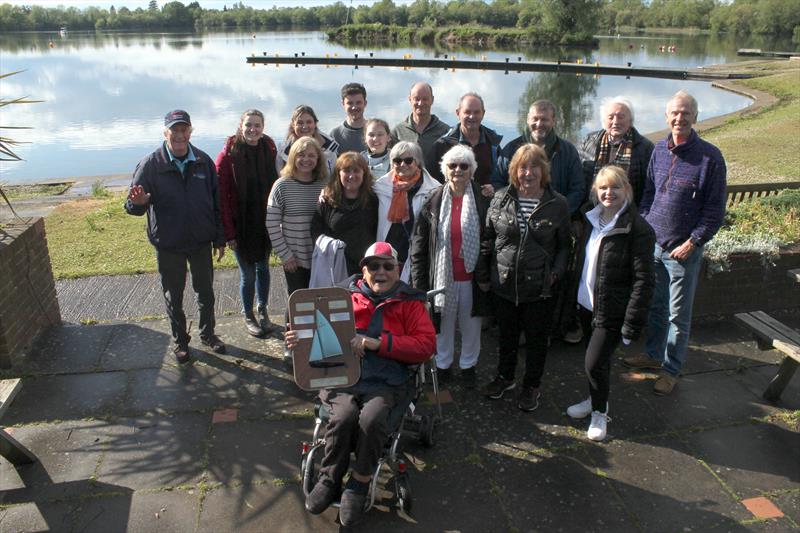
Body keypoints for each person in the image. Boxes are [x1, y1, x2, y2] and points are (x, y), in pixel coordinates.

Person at [288, 241, 436, 527]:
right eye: (373, 266)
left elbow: (426, 345)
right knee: (342, 416)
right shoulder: (341, 297)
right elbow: (311, 333)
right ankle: (331, 476)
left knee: (372, 417)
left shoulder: (411, 303)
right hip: (342, 376)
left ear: (398, 269)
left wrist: (378, 343)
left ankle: (359, 481)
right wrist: (297, 341)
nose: (380, 271)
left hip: (387, 378)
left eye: (387, 266)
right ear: (363, 270)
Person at [623, 90, 727, 396]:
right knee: (655, 307)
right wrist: (645, 225)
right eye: (674, 113)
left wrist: (693, 242)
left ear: (695, 117)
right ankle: (654, 356)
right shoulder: (659, 149)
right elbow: (648, 196)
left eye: (686, 113)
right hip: (654, 244)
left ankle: (672, 369)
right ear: (666, 117)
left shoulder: (710, 158)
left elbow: (714, 211)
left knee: (677, 316)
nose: (679, 118)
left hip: (683, 251)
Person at [125, 110, 226, 364]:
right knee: (174, 294)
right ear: (165, 133)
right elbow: (132, 206)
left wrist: (220, 238)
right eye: (174, 130)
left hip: (201, 241)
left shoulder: (203, 161)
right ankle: (180, 341)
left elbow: (217, 203)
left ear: (190, 131)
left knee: (205, 292)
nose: (179, 135)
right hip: (169, 244)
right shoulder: (150, 165)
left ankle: (208, 334)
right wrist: (139, 203)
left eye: (184, 130)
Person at [476, 143, 571, 411]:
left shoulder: (558, 204)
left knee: (537, 341)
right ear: (514, 171)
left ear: (544, 171)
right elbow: (488, 239)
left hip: (540, 287)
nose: (528, 173)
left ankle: (531, 386)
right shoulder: (500, 198)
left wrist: (556, 274)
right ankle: (505, 378)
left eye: (534, 167)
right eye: (522, 167)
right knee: (506, 336)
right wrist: (484, 274)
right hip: (504, 283)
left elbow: (564, 246)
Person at [565, 166, 655, 441]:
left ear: (626, 190)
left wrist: (632, 323)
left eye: (615, 187)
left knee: (594, 364)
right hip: (586, 304)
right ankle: (594, 399)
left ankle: (599, 414)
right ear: (595, 191)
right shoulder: (589, 221)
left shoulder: (637, 228)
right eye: (603, 187)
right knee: (597, 363)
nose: (608, 193)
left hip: (612, 310)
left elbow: (644, 280)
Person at [410, 145, 489, 389]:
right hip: (441, 276)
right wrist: (419, 284)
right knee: (442, 325)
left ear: (472, 170)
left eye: (464, 166)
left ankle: (468, 366)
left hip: (472, 276)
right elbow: (419, 247)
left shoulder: (483, 200)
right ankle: (443, 365)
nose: (458, 170)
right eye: (452, 165)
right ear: (445, 169)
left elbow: (490, 241)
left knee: (470, 325)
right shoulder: (432, 200)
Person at [215, 109, 278, 337]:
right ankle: (248, 314)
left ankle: (263, 310)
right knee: (248, 274)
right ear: (241, 125)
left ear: (263, 127)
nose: (253, 129)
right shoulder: (228, 155)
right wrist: (228, 233)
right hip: (240, 225)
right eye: (249, 125)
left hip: (264, 223)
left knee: (264, 269)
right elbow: (220, 197)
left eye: (257, 125)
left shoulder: (269, 149)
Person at [266, 137, 328, 296]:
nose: (306, 159)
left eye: (311, 155)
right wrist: (285, 256)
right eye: (301, 155)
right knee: (298, 305)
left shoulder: (326, 183)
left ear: (318, 159)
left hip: (322, 259)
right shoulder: (281, 185)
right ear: (293, 157)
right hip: (294, 260)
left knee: (322, 302)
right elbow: (272, 224)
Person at [499, 100, 584, 214]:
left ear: (554, 121)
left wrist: (559, 213)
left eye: (544, 119)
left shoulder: (568, 151)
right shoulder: (511, 149)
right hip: (517, 218)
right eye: (535, 119)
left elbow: (578, 188)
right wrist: (511, 212)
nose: (539, 124)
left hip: (556, 220)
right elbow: (497, 182)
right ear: (528, 119)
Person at [373, 141, 440, 281]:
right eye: (397, 161)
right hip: (387, 256)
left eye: (408, 160)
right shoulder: (379, 187)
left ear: (418, 163)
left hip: (418, 256)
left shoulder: (434, 190)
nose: (402, 165)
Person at [312, 152, 379, 277]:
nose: (351, 176)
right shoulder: (327, 201)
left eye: (356, 171)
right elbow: (316, 232)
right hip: (334, 267)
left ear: (364, 173)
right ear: (338, 174)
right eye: (346, 171)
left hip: (367, 267)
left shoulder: (374, 200)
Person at [579, 96, 654, 207]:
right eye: (611, 117)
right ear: (604, 121)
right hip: (590, 211)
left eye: (621, 117)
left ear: (630, 120)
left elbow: (649, 187)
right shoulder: (588, 141)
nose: (615, 122)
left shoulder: (645, 147)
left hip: (629, 213)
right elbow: (578, 180)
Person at [431, 92, 503, 194]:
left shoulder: (493, 144)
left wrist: (494, 188)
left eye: (476, 112)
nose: (472, 116)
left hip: (486, 205)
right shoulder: (443, 145)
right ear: (458, 113)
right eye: (467, 112)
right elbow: (432, 181)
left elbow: (502, 178)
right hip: (451, 203)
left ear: (483, 114)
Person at [391, 82, 450, 174]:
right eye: (416, 99)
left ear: (432, 100)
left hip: (436, 186)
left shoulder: (446, 131)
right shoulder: (397, 131)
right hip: (405, 186)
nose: (421, 103)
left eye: (425, 99)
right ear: (410, 99)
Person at [277, 105, 338, 175]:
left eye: (309, 122)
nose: (304, 126)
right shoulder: (282, 152)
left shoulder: (329, 149)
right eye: (300, 123)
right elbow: (281, 177)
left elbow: (333, 177)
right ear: (293, 125)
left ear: (315, 124)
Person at [329, 82, 368, 154]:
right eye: (350, 103)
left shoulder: (376, 132)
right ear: (343, 104)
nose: (354, 107)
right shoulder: (335, 135)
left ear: (365, 103)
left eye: (358, 103)